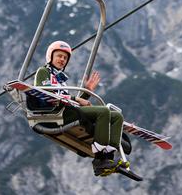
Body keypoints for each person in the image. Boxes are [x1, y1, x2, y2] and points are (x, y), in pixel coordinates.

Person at [34, 40, 126, 176]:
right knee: (103, 112)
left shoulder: (61, 80)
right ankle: (100, 159)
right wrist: (76, 98)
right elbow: (48, 94)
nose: (62, 60)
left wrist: (87, 91)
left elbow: (72, 102)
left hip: (68, 110)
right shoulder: (43, 72)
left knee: (117, 117)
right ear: (51, 56)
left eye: (65, 58)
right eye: (59, 56)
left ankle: (108, 156)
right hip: (57, 113)